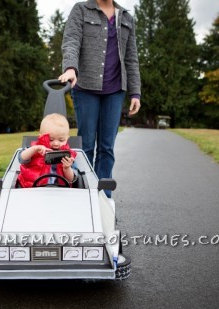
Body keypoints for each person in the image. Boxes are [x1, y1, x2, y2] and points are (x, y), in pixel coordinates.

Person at [58, 0, 141, 197]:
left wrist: (135, 92)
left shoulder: (126, 18)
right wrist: (70, 67)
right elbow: (71, 40)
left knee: (107, 148)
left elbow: (131, 58)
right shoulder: (81, 10)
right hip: (85, 87)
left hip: (115, 90)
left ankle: (103, 198)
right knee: (86, 145)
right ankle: (82, 194)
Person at [17, 113, 77, 188]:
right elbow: (21, 159)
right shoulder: (35, 150)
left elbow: (71, 179)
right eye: (50, 139)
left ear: (67, 139)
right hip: (33, 190)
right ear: (41, 136)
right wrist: (34, 149)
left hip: (59, 191)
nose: (56, 143)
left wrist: (67, 168)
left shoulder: (69, 156)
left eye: (61, 140)